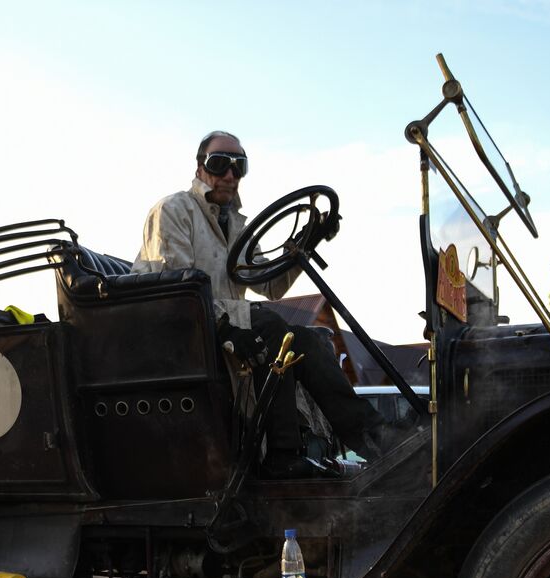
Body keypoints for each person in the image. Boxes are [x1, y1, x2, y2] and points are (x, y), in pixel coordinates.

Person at [133, 130, 392, 477]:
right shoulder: (174, 210)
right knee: (271, 327)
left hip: (226, 329)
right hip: (179, 334)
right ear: (199, 167)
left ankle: (377, 441)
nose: (229, 175)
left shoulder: (238, 226)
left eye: (239, 167)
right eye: (219, 163)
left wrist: (306, 243)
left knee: (307, 340)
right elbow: (177, 290)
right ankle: (282, 455)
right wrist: (223, 327)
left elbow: (269, 285)